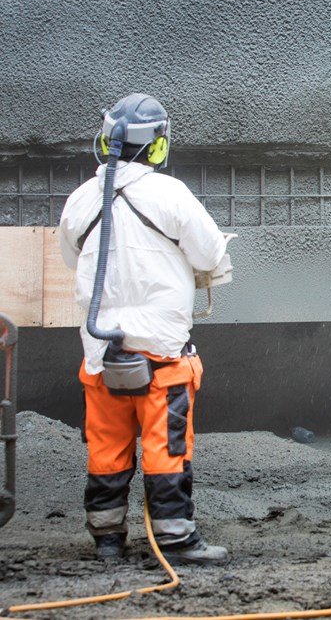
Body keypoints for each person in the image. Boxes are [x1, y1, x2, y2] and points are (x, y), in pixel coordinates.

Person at [58, 93, 230, 565]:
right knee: (166, 448)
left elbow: (72, 258)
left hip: (102, 355)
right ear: (157, 146)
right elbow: (212, 255)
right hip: (162, 355)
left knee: (107, 449)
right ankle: (175, 539)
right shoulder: (170, 194)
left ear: (105, 140)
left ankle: (108, 539)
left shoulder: (80, 200)